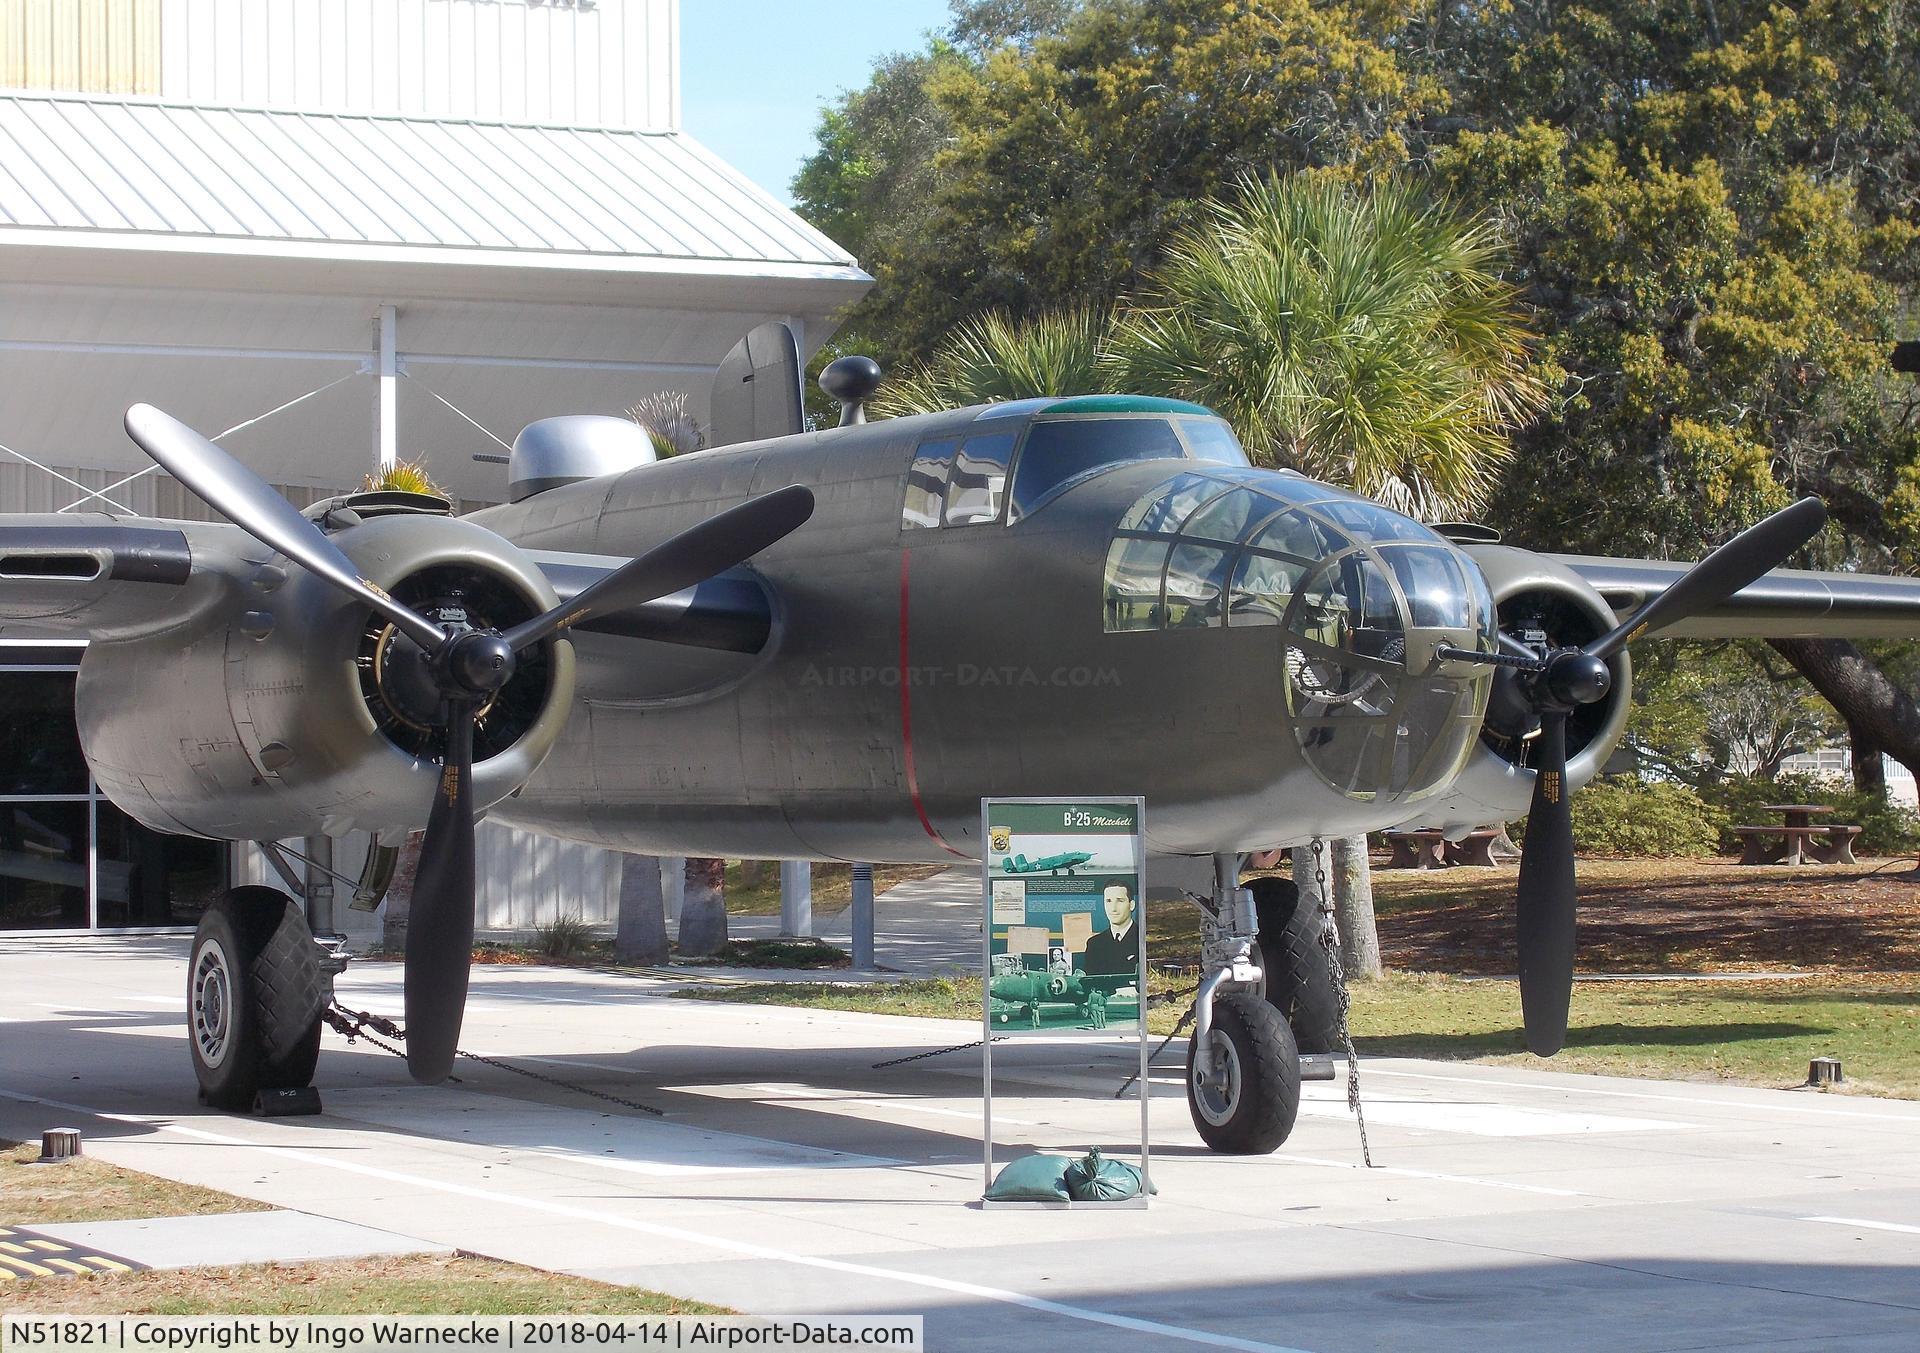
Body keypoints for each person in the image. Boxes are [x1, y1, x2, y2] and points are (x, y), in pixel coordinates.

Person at [1081, 884, 1139, 975]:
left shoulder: (1142, 939)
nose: (1113, 908)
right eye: (1108, 901)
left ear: (1131, 905)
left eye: (1120, 901)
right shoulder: (1094, 944)